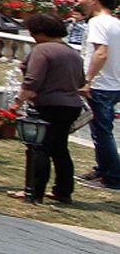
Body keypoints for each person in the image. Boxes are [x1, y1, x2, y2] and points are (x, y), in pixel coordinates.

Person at [13, 10, 88, 205]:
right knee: (60, 148)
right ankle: (63, 191)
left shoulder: (42, 50)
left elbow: (32, 81)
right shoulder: (72, 52)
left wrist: (17, 101)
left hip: (48, 105)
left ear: (40, 32)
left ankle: (34, 191)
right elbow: (81, 80)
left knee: (40, 148)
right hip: (71, 105)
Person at [78, 0, 120, 191]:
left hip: (102, 84)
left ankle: (113, 177)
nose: (79, 3)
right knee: (102, 130)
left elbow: (101, 53)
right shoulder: (116, 23)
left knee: (102, 131)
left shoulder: (98, 23)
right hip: (114, 83)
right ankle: (102, 170)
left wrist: (88, 81)